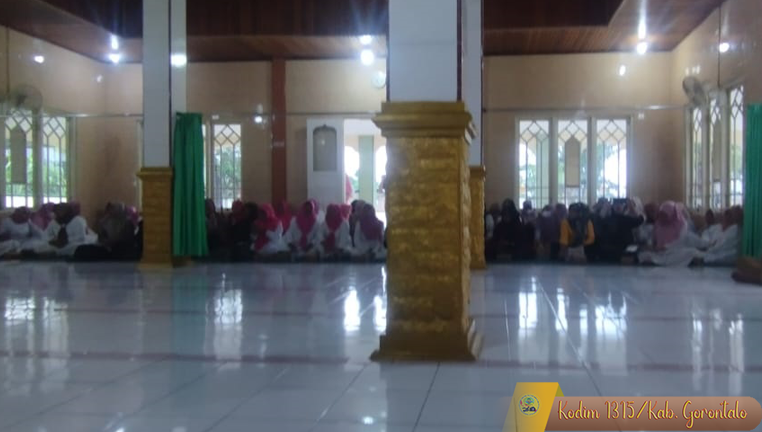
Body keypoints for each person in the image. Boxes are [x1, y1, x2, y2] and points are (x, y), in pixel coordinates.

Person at [638, 201, 707, 267]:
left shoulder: (681, 224)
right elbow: (653, 238)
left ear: (671, 214)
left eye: (664, 215)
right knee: (643, 254)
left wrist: (666, 247)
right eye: (661, 214)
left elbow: (680, 241)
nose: (662, 217)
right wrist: (651, 246)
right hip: (659, 252)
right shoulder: (658, 223)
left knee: (690, 252)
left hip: (675, 250)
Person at [596, 198, 645, 263]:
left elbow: (599, 220)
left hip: (611, 251)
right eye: (616, 204)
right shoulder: (626, 219)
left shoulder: (608, 219)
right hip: (623, 250)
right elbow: (641, 219)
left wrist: (605, 208)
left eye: (620, 204)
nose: (618, 206)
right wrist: (633, 209)